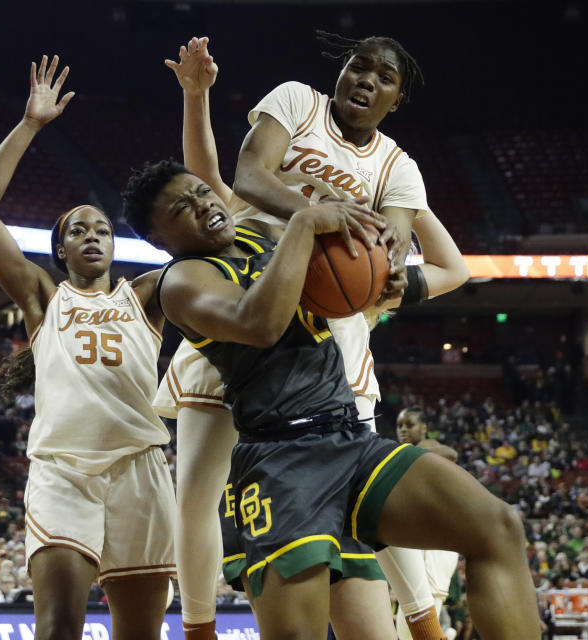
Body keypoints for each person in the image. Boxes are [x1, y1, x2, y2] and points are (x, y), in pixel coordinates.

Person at [122, 161, 539, 640]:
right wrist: (303, 220)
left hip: (349, 439)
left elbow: (349, 284)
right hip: (282, 462)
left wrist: (384, 281)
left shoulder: (263, 242)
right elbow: (259, 323)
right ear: (158, 240)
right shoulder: (183, 281)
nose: (203, 204)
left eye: (200, 192)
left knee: (498, 527)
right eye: (182, 207)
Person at [159, 34, 469, 640]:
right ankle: (198, 627)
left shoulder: (396, 166)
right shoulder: (298, 101)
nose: (365, 80)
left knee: (358, 483)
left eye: (383, 77)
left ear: (397, 98)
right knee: (197, 486)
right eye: (358, 67)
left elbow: (397, 242)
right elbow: (244, 174)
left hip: (329, 332)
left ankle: (425, 623)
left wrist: (390, 278)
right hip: (245, 293)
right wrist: (315, 215)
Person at [0, 55, 175, 640]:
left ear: (114, 244)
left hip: (140, 470)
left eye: (101, 228)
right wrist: (30, 125)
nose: (91, 236)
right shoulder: (43, 299)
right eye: (76, 230)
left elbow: (208, 251)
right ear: (59, 250)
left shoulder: (148, 295)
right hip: (63, 471)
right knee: (58, 630)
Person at [394, 407, 461, 640]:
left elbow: (451, 454)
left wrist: (405, 452)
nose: (403, 429)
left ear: (424, 428)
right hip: (417, 537)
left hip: (436, 541)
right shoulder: (402, 455)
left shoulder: (430, 448)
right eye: (400, 425)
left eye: (409, 424)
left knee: (423, 608)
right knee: (409, 611)